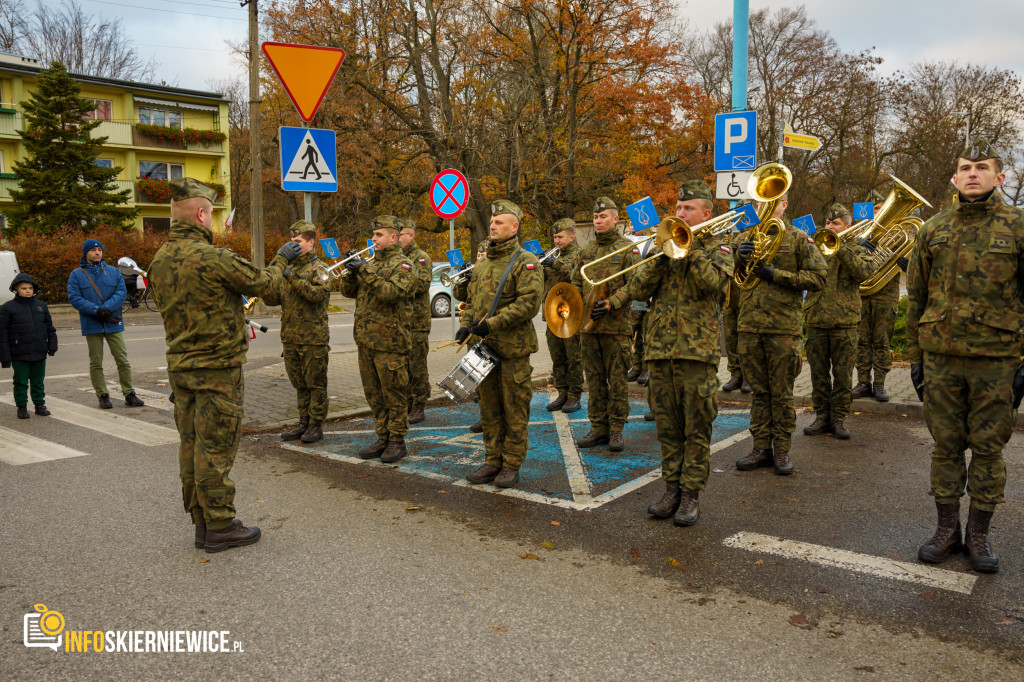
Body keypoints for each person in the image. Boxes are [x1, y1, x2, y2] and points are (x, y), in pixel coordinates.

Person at [149, 177, 294, 553]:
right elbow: (267, 286)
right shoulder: (214, 257)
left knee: (191, 444)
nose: (212, 220)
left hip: (181, 369)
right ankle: (220, 526)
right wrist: (283, 260)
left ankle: (202, 521)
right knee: (216, 447)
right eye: (211, 214)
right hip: (217, 371)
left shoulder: (160, 259)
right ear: (201, 213)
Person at [907, 138, 1023, 574]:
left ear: (1000, 176)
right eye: (966, 168)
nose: (973, 173)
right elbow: (916, 297)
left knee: (989, 451)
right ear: (955, 179)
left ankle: (979, 533)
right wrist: (916, 357)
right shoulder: (932, 229)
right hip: (941, 359)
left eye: (982, 167)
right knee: (946, 448)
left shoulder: (1018, 226)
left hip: (997, 361)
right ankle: (946, 529)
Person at [616, 180, 733, 525]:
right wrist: (659, 254)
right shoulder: (661, 249)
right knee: (667, 428)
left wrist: (689, 248)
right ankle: (671, 489)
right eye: (679, 209)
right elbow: (637, 288)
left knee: (697, 427)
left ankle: (691, 495)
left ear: (706, 213)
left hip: (697, 354)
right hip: (659, 351)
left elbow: (714, 284)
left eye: (688, 209)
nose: (680, 213)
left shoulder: (718, 248)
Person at [734, 191, 827, 475]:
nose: (765, 205)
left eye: (773, 200)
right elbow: (729, 275)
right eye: (761, 200)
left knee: (782, 393)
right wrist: (738, 258)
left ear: (784, 204)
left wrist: (776, 275)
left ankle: (782, 449)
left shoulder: (798, 238)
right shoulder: (744, 236)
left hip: (783, 329)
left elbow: (819, 277)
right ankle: (760, 447)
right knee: (759, 392)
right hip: (749, 327)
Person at [455, 200, 542, 488]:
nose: (493, 226)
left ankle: (512, 464)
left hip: (512, 350)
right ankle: (493, 460)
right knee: (489, 410)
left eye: (499, 222)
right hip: (483, 350)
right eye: (492, 222)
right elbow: (472, 300)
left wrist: (490, 324)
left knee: (514, 410)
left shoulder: (525, 261)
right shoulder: (483, 264)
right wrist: (465, 325)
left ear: (514, 227)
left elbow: (528, 304)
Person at [340, 215, 416, 463]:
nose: (373, 239)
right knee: (374, 395)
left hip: (390, 343)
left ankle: (397, 440)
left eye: (378, 235)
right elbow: (347, 292)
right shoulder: (370, 264)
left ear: (393, 237)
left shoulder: (403, 265)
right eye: (373, 235)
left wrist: (363, 269)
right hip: (366, 342)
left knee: (394, 394)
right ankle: (382, 437)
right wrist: (351, 272)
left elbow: (391, 293)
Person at [570, 197, 639, 452]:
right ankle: (598, 427)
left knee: (617, 380)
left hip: (616, 327)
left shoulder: (627, 249)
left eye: (603, 217)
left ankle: (616, 429)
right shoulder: (586, 251)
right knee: (595, 380)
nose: (598, 221)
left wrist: (613, 302)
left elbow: (634, 285)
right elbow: (576, 283)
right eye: (596, 217)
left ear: (615, 219)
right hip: (588, 329)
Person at [803, 204, 874, 440]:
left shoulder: (857, 248)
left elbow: (864, 272)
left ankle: (839, 418)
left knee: (843, 374)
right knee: (818, 373)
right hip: (816, 318)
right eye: (828, 223)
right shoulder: (814, 247)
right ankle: (822, 416)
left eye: (835, 224)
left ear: (847, 226)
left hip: (845, 320)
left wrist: (841, 248)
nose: (830, 227)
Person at [264, 220, 331, 444]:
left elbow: (317, 296)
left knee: (315, 384)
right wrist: (270, 280)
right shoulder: (286, 269)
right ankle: (303, 422)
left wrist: (291, 276)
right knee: (299, 384)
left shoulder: (319, 268)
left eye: (298, 241)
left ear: (311, 243)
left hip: (313, 338)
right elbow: (273, 299)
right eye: (291, 241)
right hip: (291, 337)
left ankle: (315, 425)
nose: (293, 245)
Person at [67, 238, 145, 410]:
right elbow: (74, 297)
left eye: (99, 250)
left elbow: (121, 291)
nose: (97, 252)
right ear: (86, 253)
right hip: (92, 322)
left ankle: (129, 393)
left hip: (112, 321)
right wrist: (96, 310)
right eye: (93, 250)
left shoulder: (113, 272)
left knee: (122, 359)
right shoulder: (77, 274)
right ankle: (102, 395)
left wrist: (107, 307)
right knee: (96, 362)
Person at [852, 189, 898, 402]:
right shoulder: (857, 234)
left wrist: (908, 262)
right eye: (873, 210)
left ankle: (879, 384)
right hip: (862, 293)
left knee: (881, 341)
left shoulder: (899, 230)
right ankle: (863, 382)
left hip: (886, 294)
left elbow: (918, 257)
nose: (877, 213)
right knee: (861, 340)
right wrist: (858, 245)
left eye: (880, 208)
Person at [0, 273, 57, 418]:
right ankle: (22, 407)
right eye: (24, 288)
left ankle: (39, 404)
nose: (27, 290)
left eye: (30, 288)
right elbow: (2, 333)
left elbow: (49, 328)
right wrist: (5, 357)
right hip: (19, 353)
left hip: (39, 351)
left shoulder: (41, 306)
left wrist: (52, 345)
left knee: (38, 381)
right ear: (16, 290)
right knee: (20, 381)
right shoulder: (8, 308)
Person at [542, 217, 583, 413]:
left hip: (571, 314)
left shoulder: (579, 254)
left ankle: (575, 395)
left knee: (573, 356)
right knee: (557, 355)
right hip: (553, 313)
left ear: (572, 236)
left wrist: (554, 264)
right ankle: (562, 393)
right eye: (555, 237)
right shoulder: (554, 255)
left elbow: (573, 273)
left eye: (560, 237)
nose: (557, 241)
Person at [399, 218, 433, 424]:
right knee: (403, 367)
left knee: (417, 366)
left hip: (417, 322)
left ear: (410, 235)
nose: (396, 238)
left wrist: (399, 280)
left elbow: (422, 284)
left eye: (400, 234)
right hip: (401, 321)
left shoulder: (420, 258)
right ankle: (409, 403)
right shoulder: (396, 257)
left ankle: (419, 405)